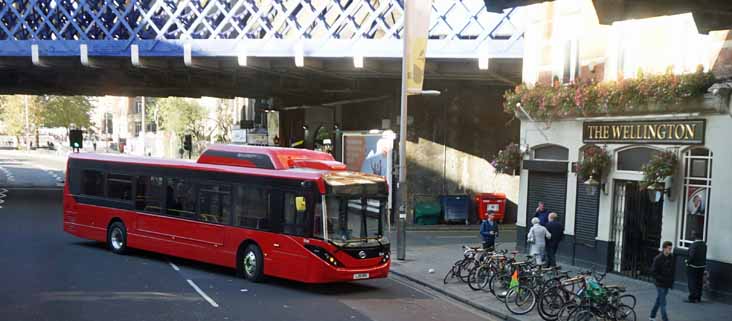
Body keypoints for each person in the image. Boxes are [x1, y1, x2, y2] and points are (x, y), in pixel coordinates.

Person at [650, 241, 675, 321]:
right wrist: (661, 279)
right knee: (663, 303)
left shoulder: (671, 257)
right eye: (669, 248)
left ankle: (652, 316)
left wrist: (670, 280)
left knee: (659, 300)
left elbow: (672, 270)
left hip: (667, 283)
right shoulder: (657, 259)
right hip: (660, 284)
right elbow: (653, 272)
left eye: (671, 248)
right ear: (664, 248)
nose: (670, 250)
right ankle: (665, 319)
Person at [685, 232, 707, 303]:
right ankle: (698, 297)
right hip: (702, 266)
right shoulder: (704, 245)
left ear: (695, 236)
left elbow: (691, 256)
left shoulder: (694, 245)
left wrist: (687, 262)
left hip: (693, 266)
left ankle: (692, 298)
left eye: (692, 234)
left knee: (692, 282)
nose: (691, 236)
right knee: (699, 282)